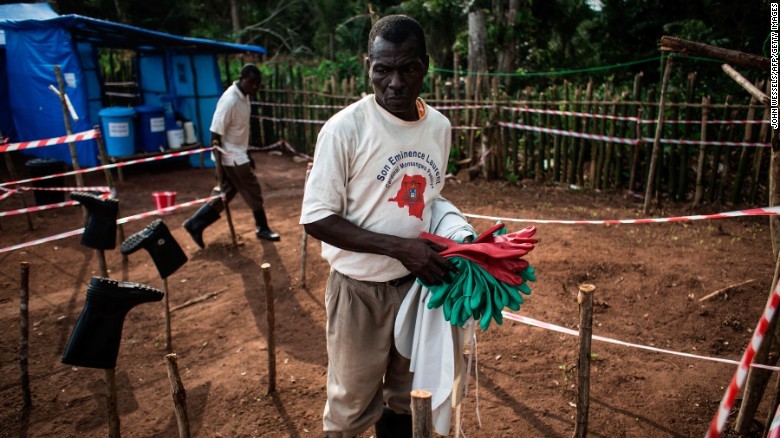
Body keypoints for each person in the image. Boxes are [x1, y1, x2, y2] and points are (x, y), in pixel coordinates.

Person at [300, 15, 458, 437]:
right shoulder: (345, 129)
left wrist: (456, 236)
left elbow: (428, 200)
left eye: (408, 69)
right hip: (358, 292)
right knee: (350, 409)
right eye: (383, 70)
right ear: (367, 65)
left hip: (417, 288)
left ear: (426, 66)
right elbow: (316, 217)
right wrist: (399, 248)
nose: (396, 83)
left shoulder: (439, 128)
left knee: (407, 398)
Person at [183, 63, 280, 248]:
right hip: (231, 156)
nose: (254, 86)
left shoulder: (244, 97)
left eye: (257, 83)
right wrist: (219, 164)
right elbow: (215, 132)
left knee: (226, 192)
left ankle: (196, 224)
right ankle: (262, 227)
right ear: (241, 79)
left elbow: (240, 131)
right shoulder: (230, 100)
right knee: (252, 189)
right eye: (251, 82)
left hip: (239, 153)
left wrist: (247, 153)